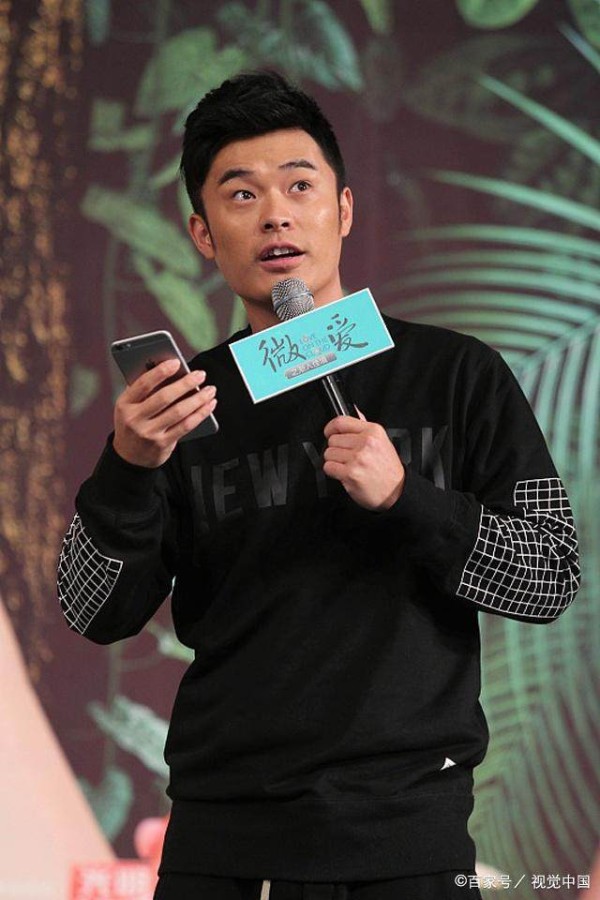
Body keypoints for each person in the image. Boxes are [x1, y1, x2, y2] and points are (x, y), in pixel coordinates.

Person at [57, 71, 580, 900]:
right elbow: (93, 611)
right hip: (221, 843)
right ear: (203, 234)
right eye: (241, 194)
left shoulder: (456, 373)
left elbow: (549, 574)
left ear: (342, 210)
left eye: (299, 186)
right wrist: (127, 467)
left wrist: (409, 498)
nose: (276, 215)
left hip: (404, 841)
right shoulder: (182, 406)